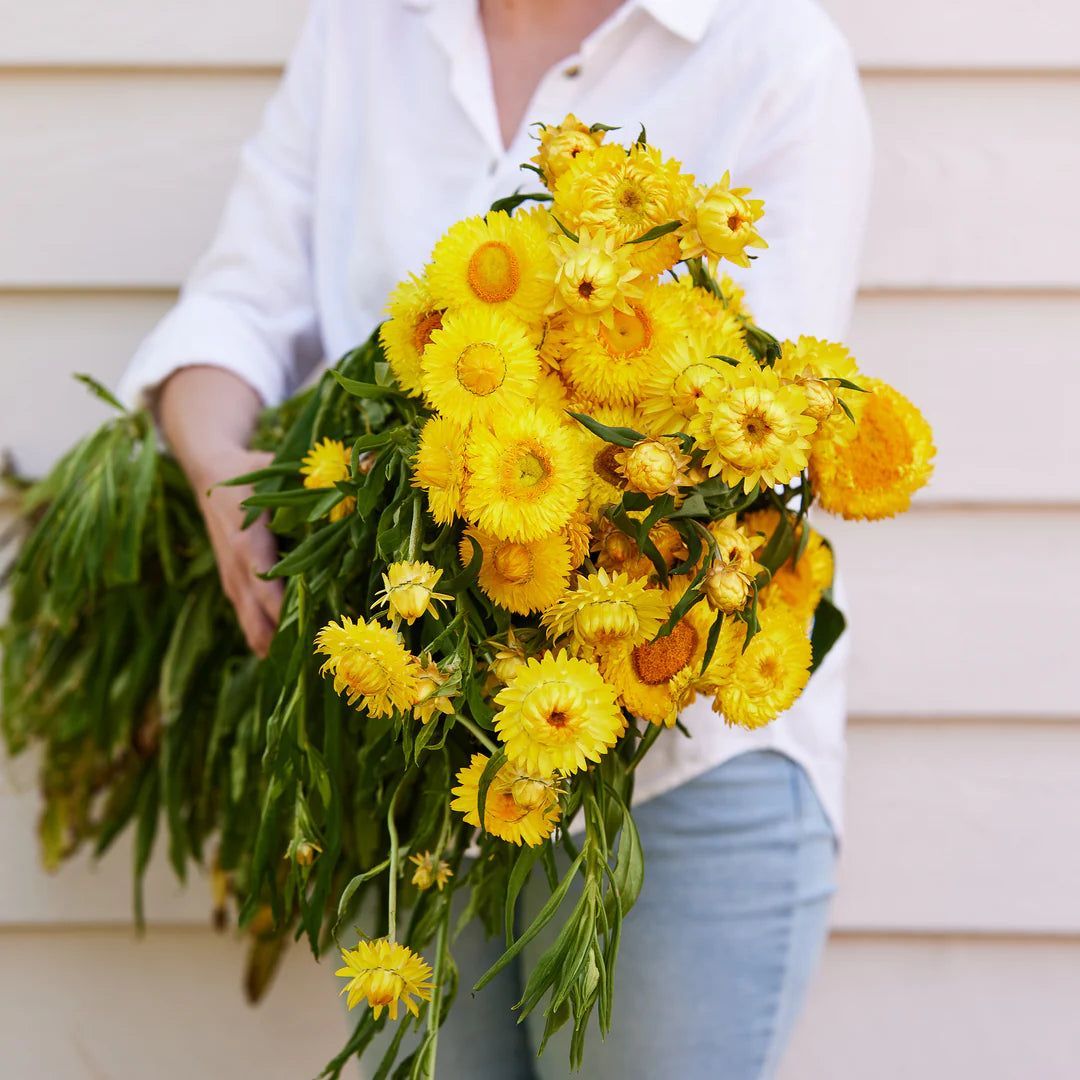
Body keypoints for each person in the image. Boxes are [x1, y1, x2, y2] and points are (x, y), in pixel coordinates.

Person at [119, 1, 871, 1076]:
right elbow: (239, 304)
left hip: (682, 779)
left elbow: (768, 423)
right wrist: (227, 477)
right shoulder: (363, 33)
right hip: (416, 761)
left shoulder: (773, 55)